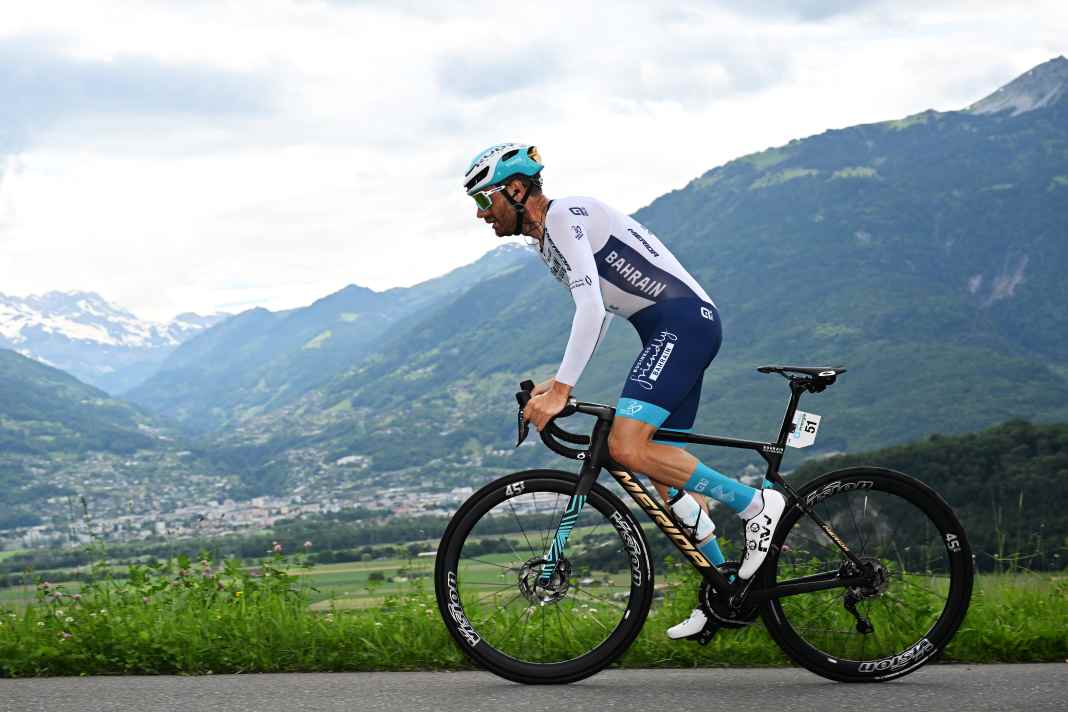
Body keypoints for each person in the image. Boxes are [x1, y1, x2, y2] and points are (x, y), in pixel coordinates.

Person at [463, 143, 786, 640]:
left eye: (486, 202)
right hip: (670, 328)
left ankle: (755, 507)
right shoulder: (547, 243)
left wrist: (562, 389)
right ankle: (726, 592)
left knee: (626, 446)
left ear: (516, 189)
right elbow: (604, 311)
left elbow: (591, 310)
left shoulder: (565, 216)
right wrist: (558, 382)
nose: (482, 215)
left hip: (680, 326)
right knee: (662, 473)